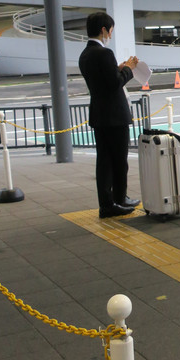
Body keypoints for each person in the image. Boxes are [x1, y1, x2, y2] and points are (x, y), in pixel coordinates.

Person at [78, 12, 140, 219]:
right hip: (115, 116)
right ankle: (118, 200)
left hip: (99, 114)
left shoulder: (86, 54)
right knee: (119, 161)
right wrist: (128, 69)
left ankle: (108, 202)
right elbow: (114, 84)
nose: (111, 35)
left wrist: (118, 68)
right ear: (104, 30)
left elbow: (103, 79)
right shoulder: (104, 53)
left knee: (104, 161)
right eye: (111, 31)